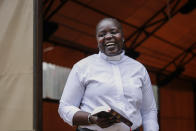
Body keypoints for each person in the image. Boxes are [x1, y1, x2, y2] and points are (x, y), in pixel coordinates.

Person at [58, 18, 159, 131]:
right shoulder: (82, 67)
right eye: (102, 34)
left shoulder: (139, 69)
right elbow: (65, 107)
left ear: (123, 37)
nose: (108, 36)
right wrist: (91, 119)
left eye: (114, 32)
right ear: (97, 41)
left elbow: (149, 110)